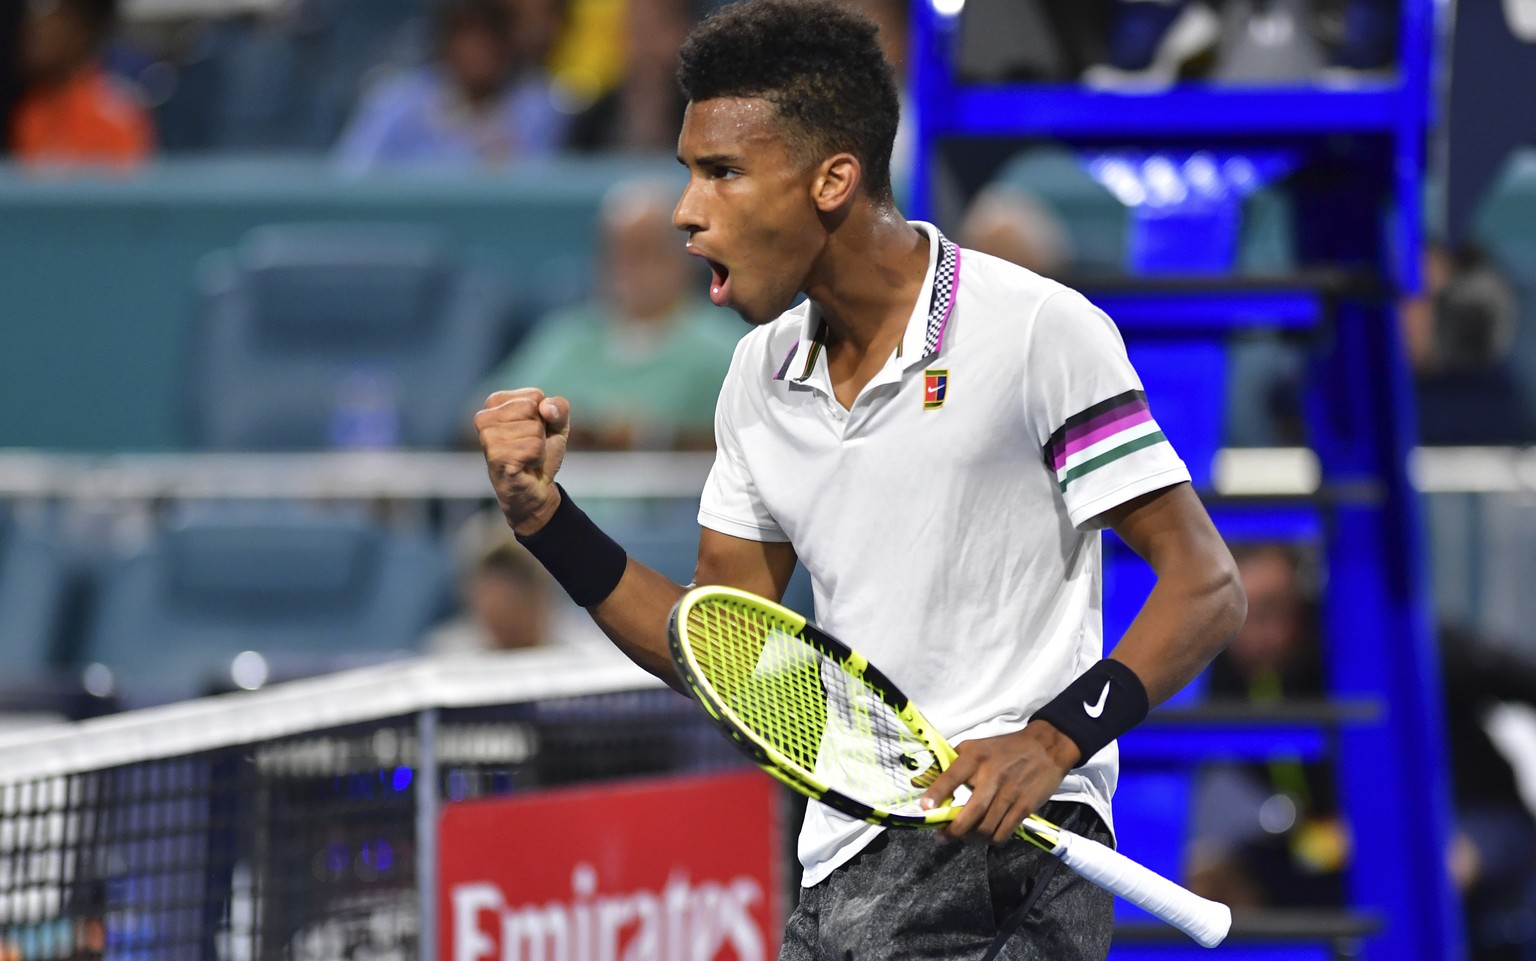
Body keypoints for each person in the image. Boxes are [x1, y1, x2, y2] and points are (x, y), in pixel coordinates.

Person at [475, 2, 1245, 958]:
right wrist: (549, 522)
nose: (685, 207)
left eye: (721, 172)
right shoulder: (757, 377)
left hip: (1006, 861)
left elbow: (1206, 583)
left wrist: (1053, 741)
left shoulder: (1037, 330)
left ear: (833, 178)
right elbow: (719, 656)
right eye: (687, 172)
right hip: (841, 872)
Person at [480, 177, 740, 450]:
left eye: (644, 251)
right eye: (616, 252)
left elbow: (750, 443)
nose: (627, 269)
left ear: (687, 256)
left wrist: (651, 436)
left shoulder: (721, 350)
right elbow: (486, 413)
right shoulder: (568, 338)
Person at [334, 0, 565, 171]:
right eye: (466, 38)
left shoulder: (540, 106)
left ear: (506, 46)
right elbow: (351, 175)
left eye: (488, 39)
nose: (477, 52)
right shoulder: (397, 101)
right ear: (445, 44)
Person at [10, 0, 154, 168]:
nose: (36, 28)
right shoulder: (30, 112)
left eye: (54, 18)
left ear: (81, 31)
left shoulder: (117, 118)